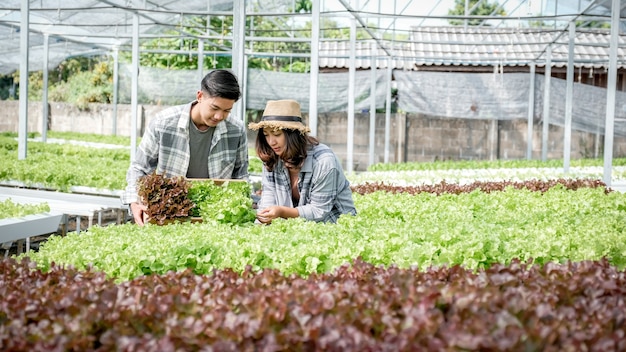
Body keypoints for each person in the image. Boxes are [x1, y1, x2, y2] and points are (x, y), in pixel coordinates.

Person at [121, 69, 249, 225]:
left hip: (215, 219)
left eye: (227, 111)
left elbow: (241, 175)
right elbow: (139, 168)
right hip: (168, 215)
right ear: (200, 96)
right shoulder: (164, 123)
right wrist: (134, 201)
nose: (219, 116)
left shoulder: (236, 129)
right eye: (214, 108)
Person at [249, 99, 356, 224]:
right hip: (296, 229)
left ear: (293, 135)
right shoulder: (272, 157)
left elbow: (319, 211)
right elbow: (269, 195)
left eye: (277, 134)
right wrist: (261, 223)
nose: (271, 142)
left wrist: (282, 212)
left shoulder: (323, 162)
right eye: (266, 135)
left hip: (333, 226)